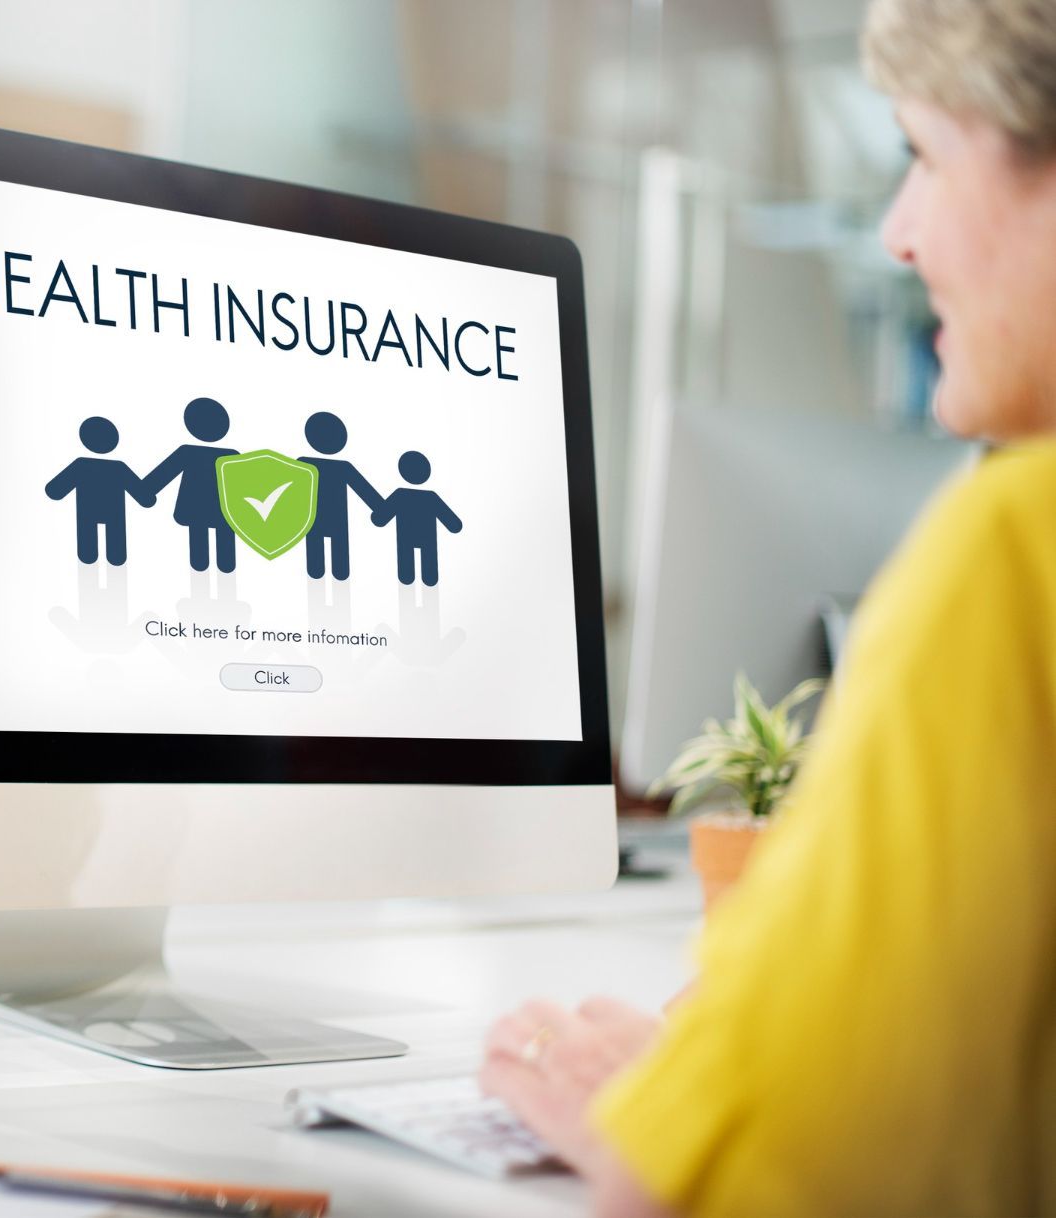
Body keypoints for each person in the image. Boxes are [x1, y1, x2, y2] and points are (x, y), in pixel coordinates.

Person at [478, 1, 1056, 1214]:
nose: (899, 234)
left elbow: (767, 1179)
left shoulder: (1014, 548)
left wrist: (655, 1111)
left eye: (925, 157)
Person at [142, 397, 240, 573]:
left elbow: (163, 473)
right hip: (221, 509)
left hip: (197, 508)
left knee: (199, 540)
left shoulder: (189, 452)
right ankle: (222, 566)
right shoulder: (230, 455)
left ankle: (206, 567)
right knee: (220, 542)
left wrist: (145, 491)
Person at [43, 416, 155, 567]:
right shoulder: (118, 468)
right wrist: (147, 496)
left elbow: (55, 490)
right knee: (116, 552)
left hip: (88, 510)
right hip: (113, 511)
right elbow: (143, 496)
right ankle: (112, 558)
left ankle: (91, 557)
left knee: (88, 550)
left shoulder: (81, 465)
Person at [298, 411, 383, 581]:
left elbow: (290, 489)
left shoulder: (306, 464)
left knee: (318, 550)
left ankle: (323, 572)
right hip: (335, 518)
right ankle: (334, 572)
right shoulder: (340, 467)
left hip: (317, 518)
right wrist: (381, 510)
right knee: (336, 550)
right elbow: (366, 491)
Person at [372, 451, 463, 587]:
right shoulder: (430, 497)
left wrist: (378, 513)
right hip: (427, 538)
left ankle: (410, 579)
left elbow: (379, 518)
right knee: (428, 572)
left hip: (406, 537)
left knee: (406, 574)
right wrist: (454, 526)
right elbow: (453, 524)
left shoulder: (400, 495)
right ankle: (427, 579)